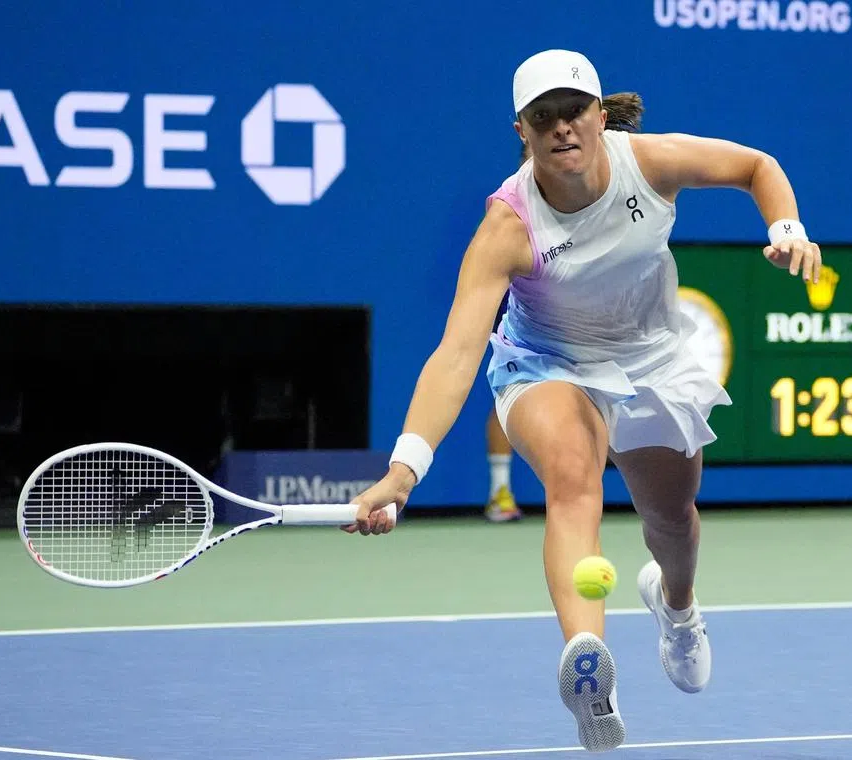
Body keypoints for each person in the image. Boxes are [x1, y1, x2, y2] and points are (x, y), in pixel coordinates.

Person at [346, 49, 823, 751]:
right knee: (573, 479)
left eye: (574, 111)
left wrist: (786, 229)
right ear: (522, 130)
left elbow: (757, 167)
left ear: (600, 116)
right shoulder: (508, 227)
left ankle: (677, 606)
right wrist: (404, 469)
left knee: (671, 515)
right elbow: (454, 355)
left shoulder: (649, 163)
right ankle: (590, 670)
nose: (562, 127)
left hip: (651, 357)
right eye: (545, 117)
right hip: (545, 362)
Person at [485, 92, 648, 524]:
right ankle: (500, 490)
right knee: (518, 380)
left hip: (604, 324)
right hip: (531, 302)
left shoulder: (618, 182)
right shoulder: (512, 214)